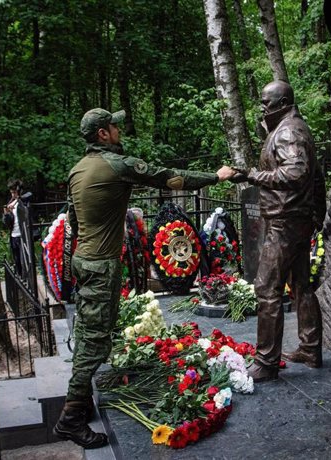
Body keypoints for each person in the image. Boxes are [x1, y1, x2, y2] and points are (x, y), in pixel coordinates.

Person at [54, 107, 235, 449]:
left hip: (84, 261)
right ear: (103, 134)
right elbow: (168, 177)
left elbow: (73, 224)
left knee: (91, 333)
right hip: (99, 265)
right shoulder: (115, 165)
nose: (118, 130)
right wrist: (216, 176)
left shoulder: (77, 169)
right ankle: (71, 418)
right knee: (94, 342)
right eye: (114, 126)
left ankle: (80, 402)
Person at [235, 80, 326, 382]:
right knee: (301, 286)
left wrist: (253, 174)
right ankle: (310, 349)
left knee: (266, 288)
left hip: (285, 221)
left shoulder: (288, 131)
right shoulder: (293, 128)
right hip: (297, 219)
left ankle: (266, 361)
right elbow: (318, 175)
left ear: (283, 103)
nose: (262, 108)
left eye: (266, 103)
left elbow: (297, 172)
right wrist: (316, 214)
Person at [2, 179, 26, 276]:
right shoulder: (9, 203)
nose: (13, 195)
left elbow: (29, 196)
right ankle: (20, 279)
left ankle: (26, 279)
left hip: (23, 235)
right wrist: (6, 213)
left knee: (25, 260)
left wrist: (17, 201)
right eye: (11, 193)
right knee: (17, 260)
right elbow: (6, 223)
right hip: (14, 235)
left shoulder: (23, 200)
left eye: (15, 192)